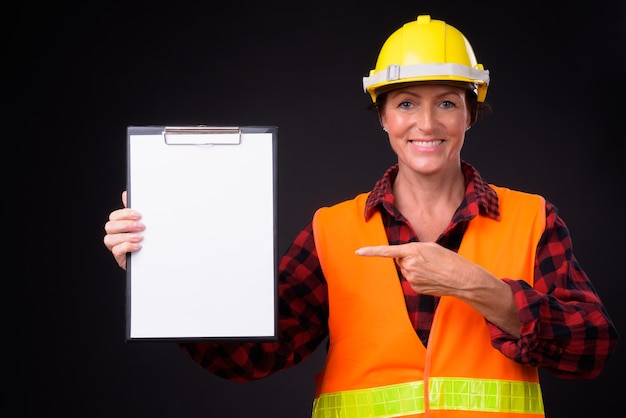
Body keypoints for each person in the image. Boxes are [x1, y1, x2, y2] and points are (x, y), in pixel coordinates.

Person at [103, 15, 619, 418]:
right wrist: (165, 278)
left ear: (470, 112)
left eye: (446, 103)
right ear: (382, 116)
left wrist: (482, 289)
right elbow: (255, 353)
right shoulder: (333, 230)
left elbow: (592, 346)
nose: (425, 123)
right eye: (405, 103)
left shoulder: (530, 217)